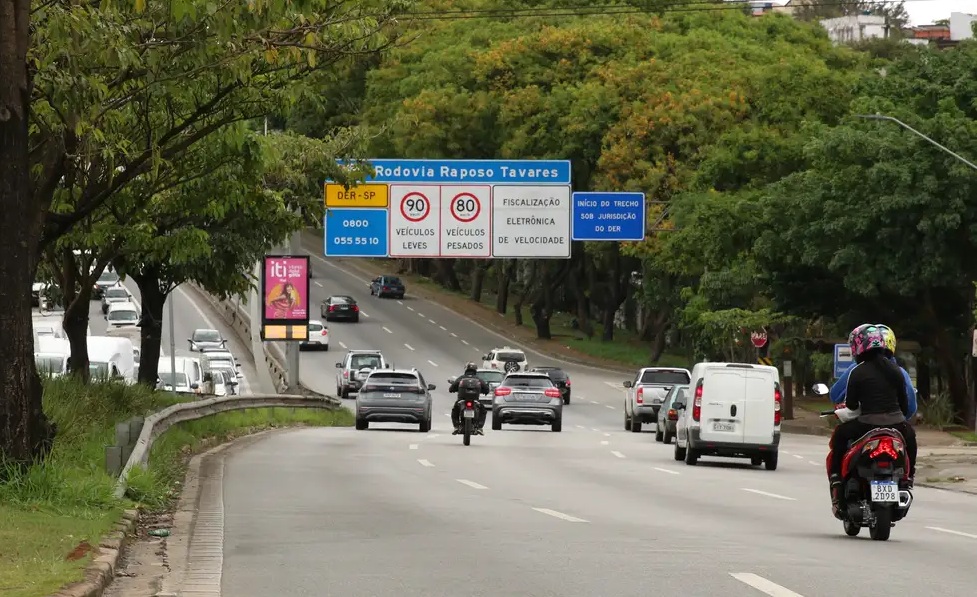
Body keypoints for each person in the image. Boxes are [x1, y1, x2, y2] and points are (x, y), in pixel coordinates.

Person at [826, 324, 917, 517]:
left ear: (858, 347)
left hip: (867, 424)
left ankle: (835, 478)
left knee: (840, 436)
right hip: (896, 424)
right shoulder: (897, 371)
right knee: (911, 439)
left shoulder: (857, 372)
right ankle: (909, 478)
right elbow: (904, 404)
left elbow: (850, 405)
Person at [449, 362, 489, 435]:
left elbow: (452, 388)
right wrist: (485, 391)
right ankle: (480, 427)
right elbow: (486, 389)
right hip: (475, 400)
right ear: (475, 370)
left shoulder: (461, 378)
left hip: (462, 399)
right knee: (483, 410)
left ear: (466, 369)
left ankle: (456, 426)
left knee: (455, 410)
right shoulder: (478, 379)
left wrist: (452, 389)